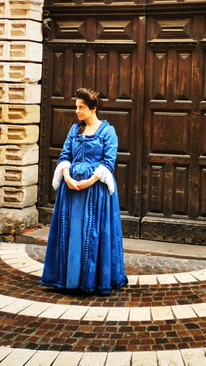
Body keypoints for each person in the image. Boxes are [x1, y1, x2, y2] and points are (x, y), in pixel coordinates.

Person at [40, 88, 128, 295]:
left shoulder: (108, 132)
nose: (77, 111)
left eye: (81, 107)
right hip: (71, 190)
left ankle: (92, 280)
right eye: (76, 107)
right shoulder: (74, 130)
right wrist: (68, 178)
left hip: (94, 190)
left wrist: (89, 181)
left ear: (93, 108)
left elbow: (108, 161)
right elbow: (65, 155)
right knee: (72, 231)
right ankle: (70, 279)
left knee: (93, 232)